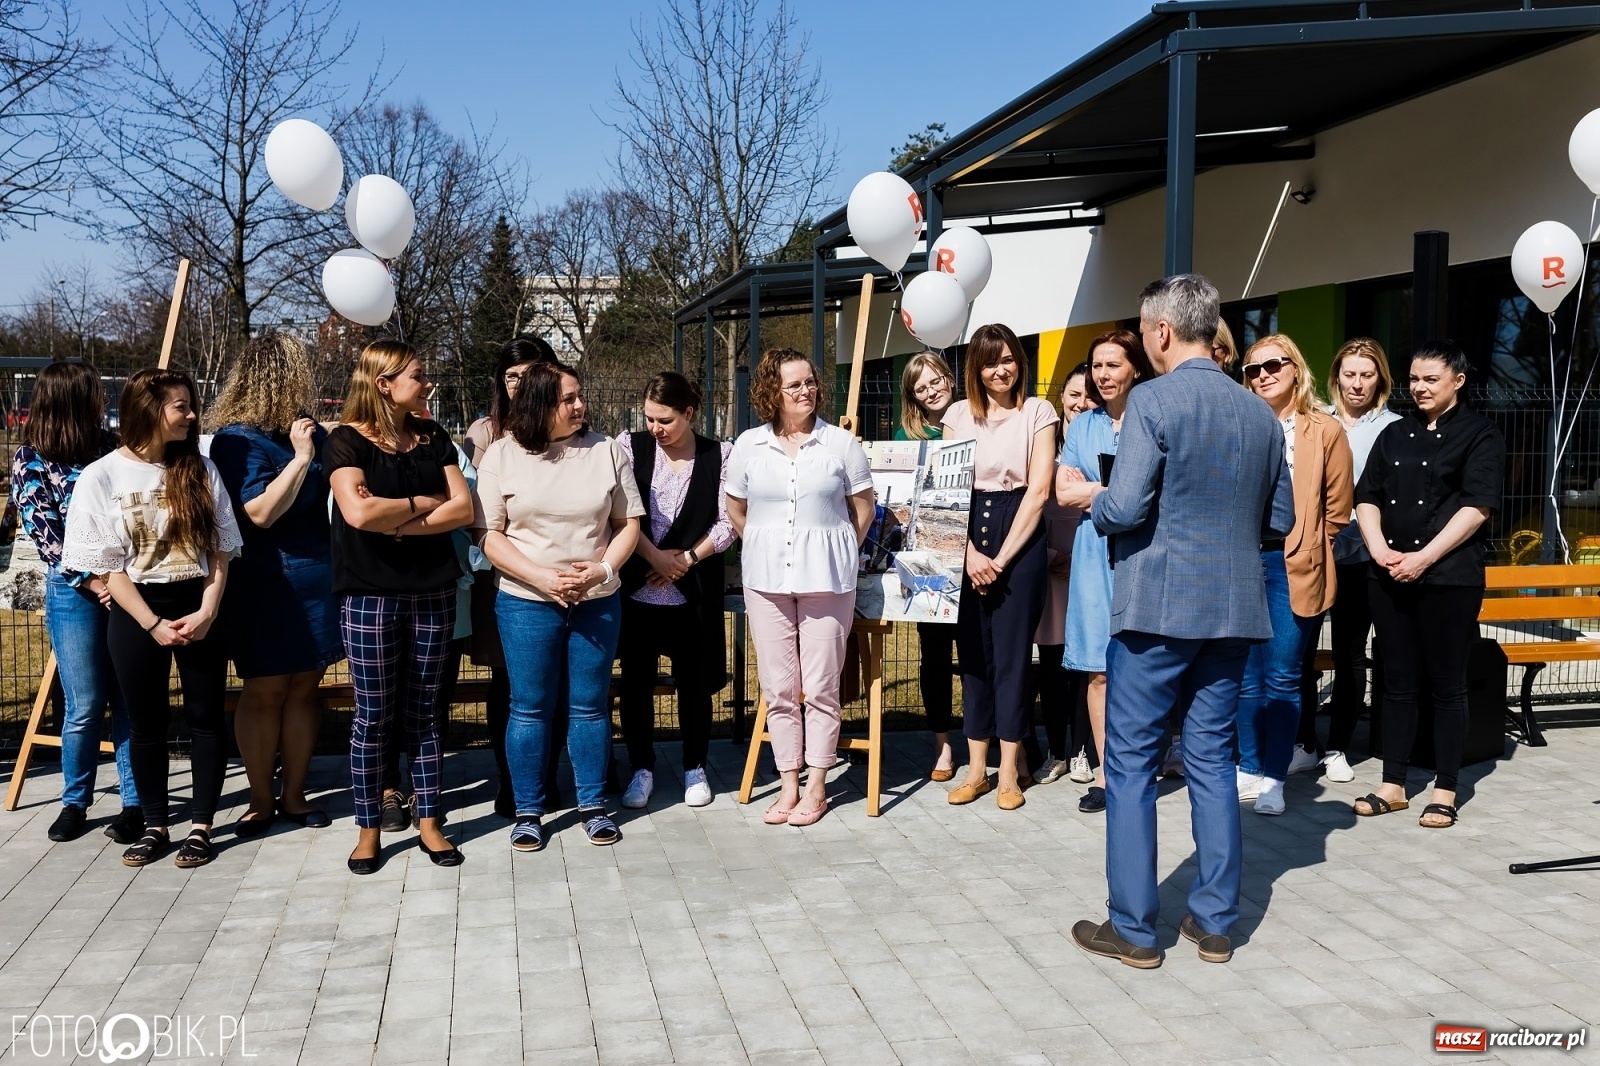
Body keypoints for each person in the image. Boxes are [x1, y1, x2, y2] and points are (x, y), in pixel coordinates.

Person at [1071, 274, 1292, 969]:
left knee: (1130, 764)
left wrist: (1095, 506)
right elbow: (1279, 520)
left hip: (1158, 609)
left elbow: (1127, 506)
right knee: (1211, 761)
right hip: (1231, 610)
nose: (1140, 340)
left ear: (1163, 331)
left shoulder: (1153, 400)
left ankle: (1134, 929)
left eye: (1142, 330)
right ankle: (1215, 921)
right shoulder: (1259, 414)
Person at [62, 367, 244, 869]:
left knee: (206, 719)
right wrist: (150, 623)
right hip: (136, 611)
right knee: (146, 725)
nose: (189, 415)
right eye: (179, 406)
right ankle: (156, 825)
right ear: (148, 410)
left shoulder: (201, 470)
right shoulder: (102, 476)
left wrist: (208, 610)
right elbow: (106, 566)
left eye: (190, 405)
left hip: (199, 606)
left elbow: (222, 550)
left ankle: (202, 828)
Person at [475, 361, 643, 850]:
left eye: (579, 395)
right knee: (529, 709)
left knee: (589, 708)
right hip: (527, 602)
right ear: (538, 405)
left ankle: (592, 804)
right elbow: (488, 535)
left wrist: (601, 571)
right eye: (567, 399)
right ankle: (529, 810)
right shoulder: (502, 456)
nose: (579, 405)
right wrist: (542, 578)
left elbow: (628, 524)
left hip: (596, 601)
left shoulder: (606, 451)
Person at [325, 341, 474, 874]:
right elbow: (358, 514)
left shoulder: (434, 436)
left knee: (428, 713)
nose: (427, 382)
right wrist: (419, 505)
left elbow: (463, 507)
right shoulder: (345, 441)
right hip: (368, 595)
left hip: (433, 590)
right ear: (383, 383)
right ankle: (368, 829)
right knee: (373, 716)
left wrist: (398, 520)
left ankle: (430, 822)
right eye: (418, 375)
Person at [1353, 340, 1504, 829]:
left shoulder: (1481, 435)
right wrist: (1378, 549)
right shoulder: (1395, 434)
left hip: (1449, 579)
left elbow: (1477, 507)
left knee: (1447, 686)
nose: (1418, 387)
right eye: (1414, 378)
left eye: (1430, 379)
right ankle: (1392, 784)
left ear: (1457, 381)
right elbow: (1367, 495)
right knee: (1395, 683)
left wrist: (1423, 558)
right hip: (1390, 575)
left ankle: (1445, 788)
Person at [725, 348, 874, 827]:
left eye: (810, 382)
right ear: (773, 392)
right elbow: (736, 510)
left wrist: (839, 547)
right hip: (766, 580)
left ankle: (817, 784)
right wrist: (763, 545)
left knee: (822, 686)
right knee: (780, 687)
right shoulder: (749, 445)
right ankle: (787, 783)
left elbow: (864, 507)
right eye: (795, 385)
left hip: (827, 579)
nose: (806, 391)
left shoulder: (841, 445)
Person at [208, 332, 344, 836]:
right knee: (263, 690)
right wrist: (302, 457)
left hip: (316, 578)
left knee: (306, 689)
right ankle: (260, 800)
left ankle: (295, 795)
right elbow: (260, 512)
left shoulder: (307, 430)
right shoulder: (235, 440)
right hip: (265, 585)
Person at [10, 362, 141, 844]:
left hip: (125, 585)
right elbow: (47, 537)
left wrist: (118, 580)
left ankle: (135, 801)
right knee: (84, 702)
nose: (102, 402)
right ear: (69, 400)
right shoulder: (31, 459)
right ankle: (75, 801)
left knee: (128, 696)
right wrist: (94, 582)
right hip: (75, 592)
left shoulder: (110, 450)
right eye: (93, 394)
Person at [941, 323, 1059, 812]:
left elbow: (1039, 491)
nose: (1000, 369)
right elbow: (945, 493)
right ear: (976, 368)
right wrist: (968, 555)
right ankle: (976, 770)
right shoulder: (956, 416)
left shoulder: (1039, 412)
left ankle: (1010, 771)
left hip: (1020, 537)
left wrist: (1002, 558)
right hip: (965, 532)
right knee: (974, 656)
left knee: (1012, 657)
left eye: (1008, 358)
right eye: (990, 361)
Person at [1236, 335, 1354, 816]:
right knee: (1244, 677)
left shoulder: (1324, 431)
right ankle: (1246, 766)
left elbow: (1339, 510)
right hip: (1241, 562)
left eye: (1273, 365)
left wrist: (1311, 548)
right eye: (1252, 369)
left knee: (1282, 675)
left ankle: (1273, 775)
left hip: (1293, 566)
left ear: (1295, 367)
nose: (1263, 374)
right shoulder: (1238, 425)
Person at [616, 371, 735, 810]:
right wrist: (654, 558)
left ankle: (694, 766)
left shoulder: (720, 455)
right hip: (638, 590)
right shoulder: (631, 448)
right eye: (648, 417)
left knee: (695, 683)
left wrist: (685, 560)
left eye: (664, 419)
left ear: (689, 413)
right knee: (635, 684)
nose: (654, 428)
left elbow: (728, 522)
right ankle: (641, 767)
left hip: (693, 591)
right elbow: (621, 512)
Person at [1055, 331, 1156, 813]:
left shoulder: (1154, 416)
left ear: (1135, 367)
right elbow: (1062, 494)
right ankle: (1106, 773)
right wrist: (1116, 490)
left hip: (1145, 554)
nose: (1103, 375)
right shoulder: (1082, 427)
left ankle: (1140, 767)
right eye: (1097, 366)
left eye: (1113, 365)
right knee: (1098, 670)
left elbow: (1157, 496)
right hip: (1094, 554)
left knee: (1144, 668)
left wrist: (1093, 489)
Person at [460, 336, 556, 819]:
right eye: (511, 376)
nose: (520, 385)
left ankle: (552, 775)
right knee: (509, 682)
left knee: (557, 681)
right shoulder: (483, 435)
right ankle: (512, 781)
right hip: (501, 576)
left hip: (563, 575)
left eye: (530, 373)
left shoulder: (573, 426)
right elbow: (481, 515)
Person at [1309, 338, 1402, 782]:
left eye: (1367, 375)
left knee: (1350, 654)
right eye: (1350, 374)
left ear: (1380, 378)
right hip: (1312, 553)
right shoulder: (1313, 421)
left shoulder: (1395, 428)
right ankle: (1302, 741)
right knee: (1300, 652)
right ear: (1336, 377)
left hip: (1363, 559)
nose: (1358, 384)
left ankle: (1337, 746)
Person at [895, 351, 959, 781]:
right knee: (934, 654)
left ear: (949, 378)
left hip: (979, 554)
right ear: (912, 397)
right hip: (930, 562)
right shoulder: (906, 435)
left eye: (935, 380)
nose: (931, 390)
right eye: (921, 387)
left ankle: (990, 738)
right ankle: (943, 746)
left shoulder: (976, 418)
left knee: (980, 656)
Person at [1033, 362, 1092, 784]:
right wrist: (1049, 552)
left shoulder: (1104, 444)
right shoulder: (1043, 449)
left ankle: (1084, 750)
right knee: (1052, 665)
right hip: (1050, 570)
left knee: (1088, 668)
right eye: (1074, 394)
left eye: (1089, 394)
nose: (1081, 401)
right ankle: (1056, 750)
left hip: (1090, 567)